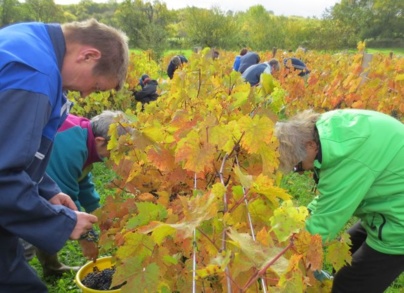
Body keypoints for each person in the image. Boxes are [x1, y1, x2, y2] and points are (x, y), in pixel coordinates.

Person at [0, 18, 129, 292]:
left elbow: (14, 153)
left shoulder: (26, 39)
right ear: (88, 55)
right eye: (95, 86)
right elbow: (2, 175)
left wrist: (46, 189)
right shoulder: (35, 76)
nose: (85, 95)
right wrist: (63, 221)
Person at [274, 109, 404, 292]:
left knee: (349, 284)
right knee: (345, 252)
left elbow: (325, 225)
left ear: (310, 145)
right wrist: (305, 215)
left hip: (399, 223)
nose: (301, 171)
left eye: (297, 166)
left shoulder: (348, 163)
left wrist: (279, 256)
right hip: (390, 195)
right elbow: (328, 199)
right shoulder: (327, 132)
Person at [30, 110, 128, 277]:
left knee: (44, 219)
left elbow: (83, 185)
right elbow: (64, 199)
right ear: (100, 141)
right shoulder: (72, 147)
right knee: (28, 232)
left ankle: (51, 268)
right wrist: (87, 239)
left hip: (38, 178)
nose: (113, 157)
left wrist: (102, 217)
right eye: (114, 150)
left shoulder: (84, 138)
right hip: (16, 180)